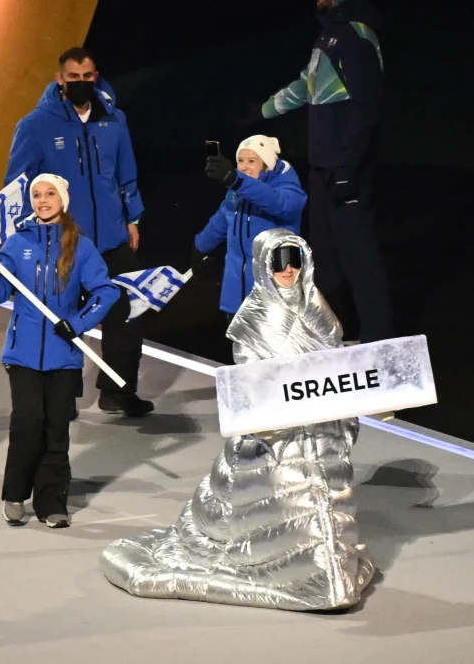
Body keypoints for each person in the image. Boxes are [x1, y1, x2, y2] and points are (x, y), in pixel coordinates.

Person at [100, 229, 376, 610]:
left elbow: (335, 365)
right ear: (264, 264)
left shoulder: (319, 309)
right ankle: (311, 577)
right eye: (279, 261)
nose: (288, 270)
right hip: (275, 433)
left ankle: (325, 575)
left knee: (319, 500)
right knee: (283, 502)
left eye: (296, 260)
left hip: (319, 428)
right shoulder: (253, 317)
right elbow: (250, 376)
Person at [4, 47, 150, 416]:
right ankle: (60, 398)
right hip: (63, 241)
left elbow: (126, 174)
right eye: (74, 78)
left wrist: (132, 218)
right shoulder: (36, 125)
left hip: (113, 238)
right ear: (60, 80)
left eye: (88, 78)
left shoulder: (115, 120)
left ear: (96, 77)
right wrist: (28, 235)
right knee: (65, 318)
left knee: (130, 310)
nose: (82, 84)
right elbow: (19, 184)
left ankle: (118, 389)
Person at [0, 174, 118, 527]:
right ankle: (15, 494)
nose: (42, 200)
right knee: (27, 421)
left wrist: (78, 323)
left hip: (63, 355)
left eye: (50, 194)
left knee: (55, 428)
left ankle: (52, 502)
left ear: (62, 200)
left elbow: (106, 292)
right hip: (22, 354)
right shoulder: (18, 242)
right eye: (36, 195)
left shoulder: (81, 246)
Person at [259, 0, 391, 342]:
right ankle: (331, 336)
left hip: (344, 168)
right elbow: (305, 86)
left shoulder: (357, 39)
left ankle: (378, 341)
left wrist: (349, 166)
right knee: (326, 262)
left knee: (360, 260)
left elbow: (368, 108)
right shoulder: (329, 37)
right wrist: (262, 111)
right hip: (323, 166)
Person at [193, 134, 307, 323]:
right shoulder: (238, 189)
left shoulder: (287, 188)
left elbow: (281, 204)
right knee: (240, 351)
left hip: (272, 298)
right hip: (236, 294)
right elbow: (221, 220)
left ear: (267, 164)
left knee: (274, 351)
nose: (244, 167)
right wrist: (200, 247)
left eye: (252, 161)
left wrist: (237, 181)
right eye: (240, 161)